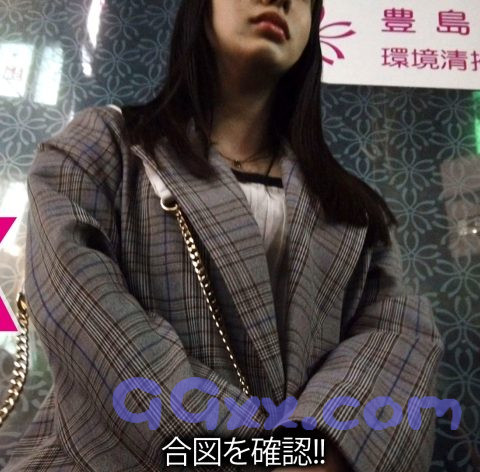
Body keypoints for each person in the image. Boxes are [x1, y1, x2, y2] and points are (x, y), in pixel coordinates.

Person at [4, 0, 443, 470]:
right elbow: (83, 314)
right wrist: (275, 456)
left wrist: (319, 451)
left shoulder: (351, 207)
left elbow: (398, 336)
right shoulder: (104, 147)